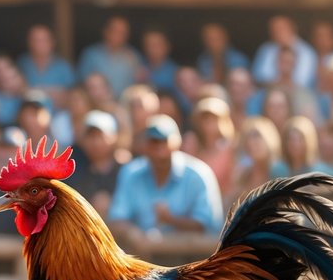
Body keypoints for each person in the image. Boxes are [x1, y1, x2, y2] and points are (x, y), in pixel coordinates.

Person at [109, 115, 224, 247]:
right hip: (140, 255)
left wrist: (171, 220)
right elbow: (116, 219)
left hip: (193, 256)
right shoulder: (131, 173)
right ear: (145, 144)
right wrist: (132, 233)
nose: (159, 147)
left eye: (164, 140)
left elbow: (208, 227)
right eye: (154, 141)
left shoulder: (198, 174)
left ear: (178, 142)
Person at [68, 110, 124, 219]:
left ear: (114, 137)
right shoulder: (73, 170)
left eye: (101, 136)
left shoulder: (125, 169)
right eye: (91, 136)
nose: (96, 142)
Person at [79, 15, 143, 98]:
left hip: (125, 103)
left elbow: (140, 85)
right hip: (97, 102)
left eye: (122, 32)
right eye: (115, 31)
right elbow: (82, 83)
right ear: (105, 31)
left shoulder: (134, 56)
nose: (118, 35)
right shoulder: (91, 55)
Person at [182, 95, 235, 190]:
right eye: (205, 117)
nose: (209, 121)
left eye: (214, 118)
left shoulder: (229, 148)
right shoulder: (191, 142)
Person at [252, 15, 318, 90]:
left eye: (280, 29)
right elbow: (258, 76)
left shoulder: (307, 52)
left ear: (292, 29)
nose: (276, 32)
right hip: (268, 91)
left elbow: (304, 81)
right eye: (273, 29)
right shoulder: (265, 49)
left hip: (298, 92)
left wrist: (281, 84)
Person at [233, 116, 287, 204]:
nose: (252, 142)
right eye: (248, 137)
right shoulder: (243, 175)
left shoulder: (279, 171)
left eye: (257, 135)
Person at [17, 24, 76, 100]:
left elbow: (72, 95)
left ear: (52, 42)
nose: (40, 44)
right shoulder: (22, 64)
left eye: (44, 40)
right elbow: (16, 91)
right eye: (36, 40)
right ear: (29, 42)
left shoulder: (64, 67)